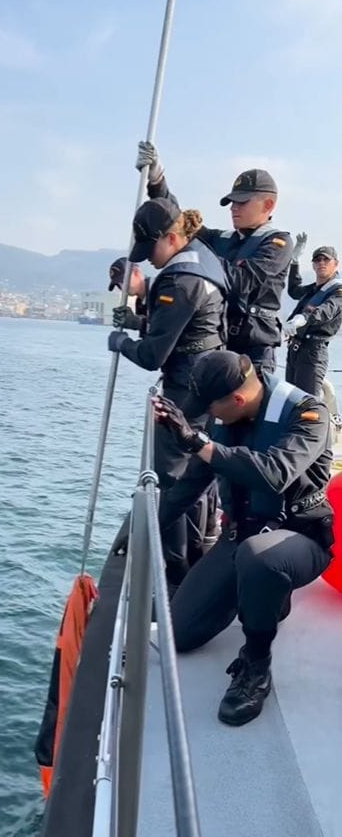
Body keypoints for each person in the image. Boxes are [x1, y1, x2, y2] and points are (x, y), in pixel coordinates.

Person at [153, 350, 333, 726]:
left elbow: (274, 474)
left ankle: (255, 665)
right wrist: (148, 528)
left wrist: (198, 443)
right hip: (242, 535)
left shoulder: (308, 416)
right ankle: (263, 593)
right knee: (180, 635)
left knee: (260, 557)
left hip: (298, 538)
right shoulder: (228, 419)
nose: (208, 416)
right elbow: (191, 485)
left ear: (237, 399)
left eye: (211, 408)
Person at [108, 197, 227, 584]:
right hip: (209, 383)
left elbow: (152, 354)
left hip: (185, 390)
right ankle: (196, 551)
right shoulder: (203, 259)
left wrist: (119, 341)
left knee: (171, 479)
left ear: (172, 237)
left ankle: (173, 572)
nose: (150, 260)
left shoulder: (179, 280)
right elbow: (185, 328)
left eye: (152, 249)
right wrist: (140, 318)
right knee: (201, 469)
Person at [135, 142, 293, 373]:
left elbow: (242, 282)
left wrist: (198, 256)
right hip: (219, 348)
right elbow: (178, 222)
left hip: (254, 354)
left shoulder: (277, 244)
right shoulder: (223, 239)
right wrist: (157, 180)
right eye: (232, 203)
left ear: (268, 204)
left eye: (242, 202)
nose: (233, 208)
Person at [285, 241, 342, 397]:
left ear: (335, 264)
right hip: (295, 349)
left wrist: (303, 318)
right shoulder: (314, 289)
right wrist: (295, 262)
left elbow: (327, 310)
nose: (321, 263)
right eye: (317, 260)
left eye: (326, 259)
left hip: (313, 351)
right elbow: (294, 291)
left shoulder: (338, 291)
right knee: (289, 400)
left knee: (307, 402)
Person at [107, 256, 149, 335]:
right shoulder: (140, 302)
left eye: (123, 281)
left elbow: (167, 326)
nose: (122, 287)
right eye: (118, 285)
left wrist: (137, 322)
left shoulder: (159, 291)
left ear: (136, 272)